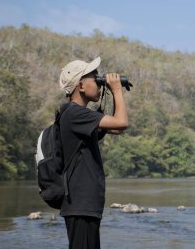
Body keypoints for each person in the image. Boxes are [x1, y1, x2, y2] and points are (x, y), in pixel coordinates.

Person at [58, 56, 128, 249]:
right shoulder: (74, 114)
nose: (99, 82)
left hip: (84, 204)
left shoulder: (82, 116)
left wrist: (113, 92)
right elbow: (122, 121)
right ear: (81, 86)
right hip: (80, 203)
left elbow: (117, 128)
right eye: (95, 79)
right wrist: (116, 90)